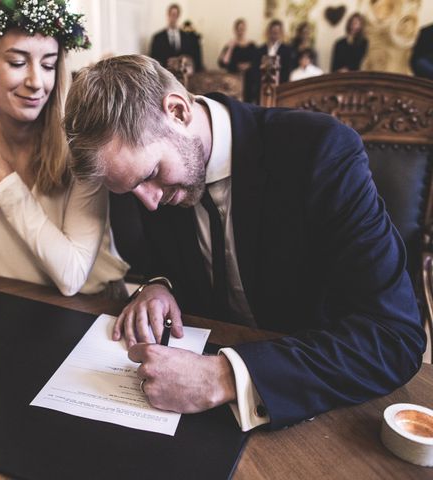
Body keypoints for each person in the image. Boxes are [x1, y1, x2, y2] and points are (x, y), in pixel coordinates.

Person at [63, 54, 425, 431]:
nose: (150, 202)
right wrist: (158, 285)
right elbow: (167, 260)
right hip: (193, 414)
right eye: (130, 190)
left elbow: (394, 337)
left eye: (151, 174)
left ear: (177, 111)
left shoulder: (319, 151)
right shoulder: (160, 177)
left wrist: (224, 376)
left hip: (318, 408)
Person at [0, 0, 128, 296]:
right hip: (14, 304)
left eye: (48, 64)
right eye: (18, 63)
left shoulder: (81, 140)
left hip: (93, 310)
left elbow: (71, 277)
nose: (37, 82)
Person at [244, 19, 292, 103]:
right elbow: (255, 69)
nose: (274, 35)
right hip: (262, 88)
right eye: (272, 32)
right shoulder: (260, 50)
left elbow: (287, 70)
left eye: (277, 32)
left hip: (279, 88)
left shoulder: (286, 51)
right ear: (268, 32)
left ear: (281, 33)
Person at [149, 3, 203, 72]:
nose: (173, 18)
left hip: (183, 73)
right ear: (168, 15)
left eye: (176, 15)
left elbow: (192, 58)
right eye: (172, 15)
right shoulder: (158, 38)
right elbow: (153, 60)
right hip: (165, 73)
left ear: (179, 16)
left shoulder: (187, 37)